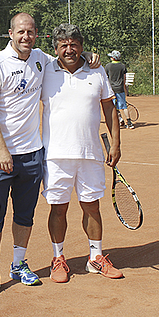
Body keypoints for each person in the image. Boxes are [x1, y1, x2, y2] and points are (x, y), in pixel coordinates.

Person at [0, 12, 101, 298]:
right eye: (21, 32)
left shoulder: (41, 60)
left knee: (25, 214)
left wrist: (93, 56)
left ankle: (19, 264)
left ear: (36, 35)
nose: (26, 37)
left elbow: (70, 56)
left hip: (32, 154)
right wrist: (2, 149)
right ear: (10, 33)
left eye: (30, 32)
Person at [41, 24, 124, 283]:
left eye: (74, 44)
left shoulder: (97, 70)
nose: (69, 49)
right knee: (58, 209)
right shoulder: (44, 70)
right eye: (63, 45)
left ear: (82, 46)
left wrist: (116, 144)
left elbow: (109, 109)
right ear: (55, 49)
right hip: (55, 155)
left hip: (90, 154)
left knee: (92, 207)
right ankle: (58, 259)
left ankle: (95, 258)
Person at [105, 50, 134, 129]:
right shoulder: (122, 66)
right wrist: (125, 89)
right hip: (120, 89)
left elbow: (106, 78)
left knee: (113, 107)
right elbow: (124, 79)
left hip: (111, 90)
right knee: (124, 106)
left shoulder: (108, 66)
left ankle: (116, 122)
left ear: (113, 58)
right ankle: (128, 122)